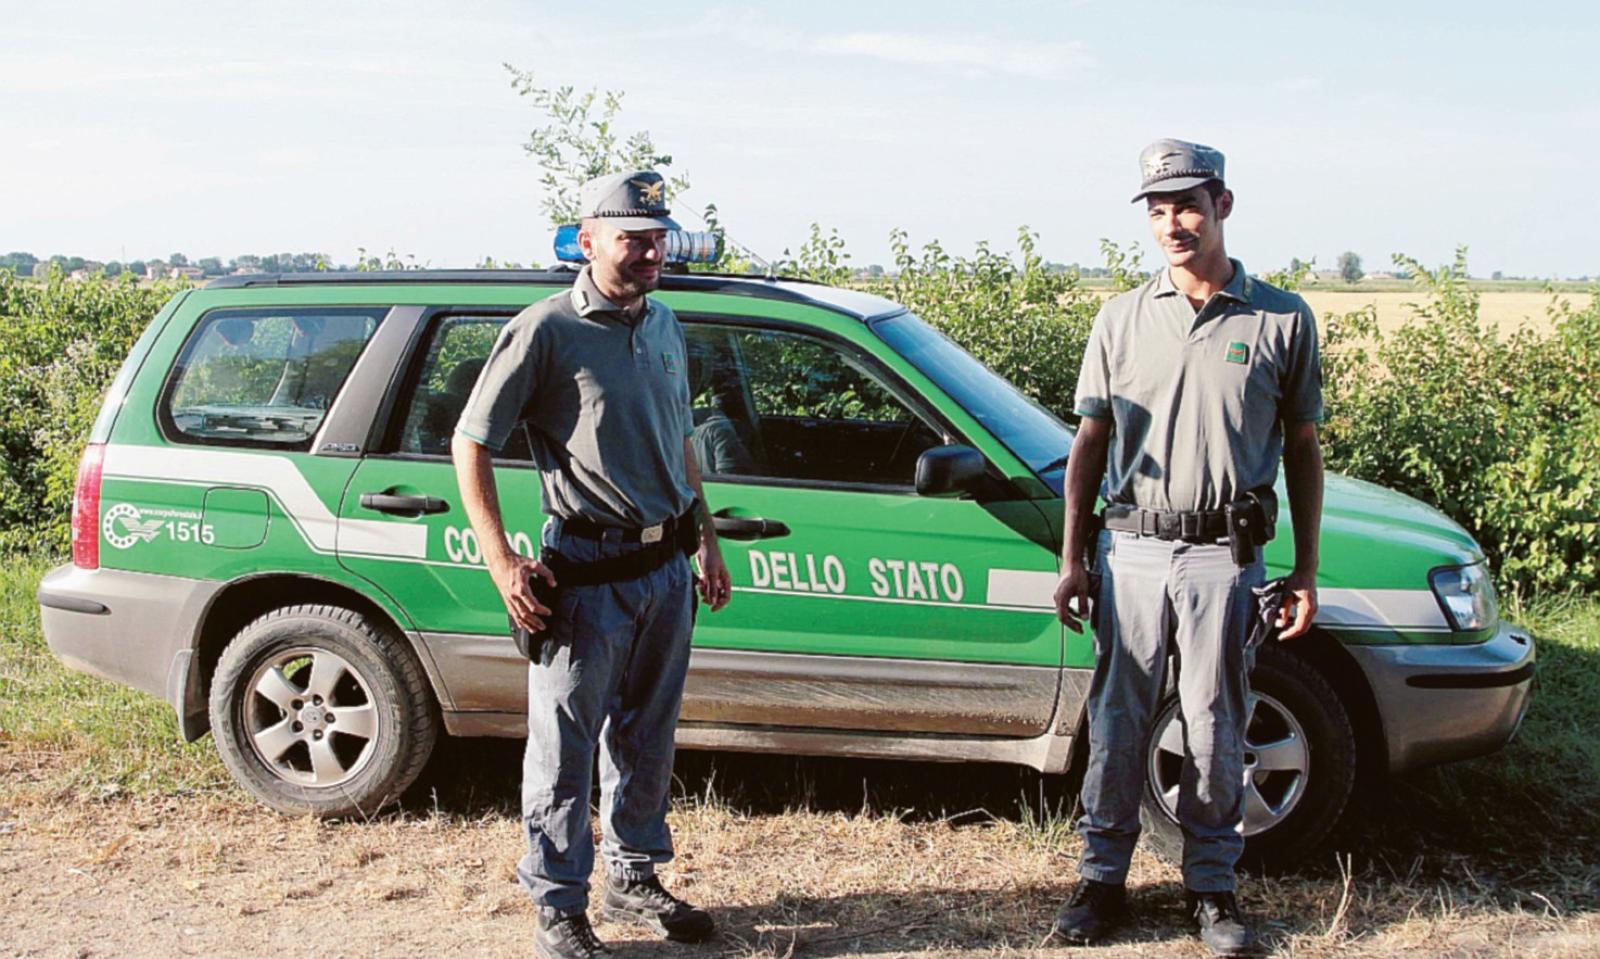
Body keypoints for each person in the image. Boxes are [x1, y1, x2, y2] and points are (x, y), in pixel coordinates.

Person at [1050, 139, 1325, 957]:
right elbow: (1088, 446)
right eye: (1159, 208)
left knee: (1214, 721)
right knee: (1118, 719)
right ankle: (1101, 880)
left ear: (1224, 205)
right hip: (1130, 549)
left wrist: (1305, 569)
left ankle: (1210, 888)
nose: (1174, 222)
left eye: (1189, 204)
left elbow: (1303, 449)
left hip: (1224, 556)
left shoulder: (1281, 318)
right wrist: (1072, 558)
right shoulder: (1121, 317)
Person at [451, 169, 732, 959]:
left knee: (648, 739)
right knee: (565, 749)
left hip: (666, 567)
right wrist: (501, 560)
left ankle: (633, 874)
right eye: (632, 238)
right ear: (588, 239)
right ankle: (558, 903)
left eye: (657, 238)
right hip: (585, 573)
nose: (650, 252)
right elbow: (470, 441)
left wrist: (706, 539)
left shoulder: (666, 322)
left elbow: (678, 438)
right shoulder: (546, 330)